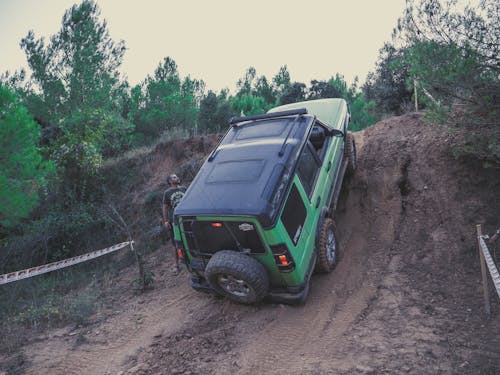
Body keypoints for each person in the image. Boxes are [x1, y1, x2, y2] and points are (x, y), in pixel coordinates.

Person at [162, 174, 187, 272]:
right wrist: (166, 221)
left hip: (186, 218)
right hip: (175, 220)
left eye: (176, 176)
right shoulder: (167, 193)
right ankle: (177, 265)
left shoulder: (184, 189)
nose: (177, 178)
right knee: (176, 242)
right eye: (174, 177)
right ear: (170, 181)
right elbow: (165, 207)